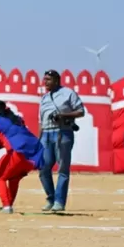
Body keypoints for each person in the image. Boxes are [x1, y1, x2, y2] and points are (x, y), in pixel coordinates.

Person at [38, 70, 85, 213]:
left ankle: (59, 202)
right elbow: (41, 121)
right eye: (44, 79)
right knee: (43, 168)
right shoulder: (44, 98)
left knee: (62, 169)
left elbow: (81, 111)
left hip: (62, 133)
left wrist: (63, 115)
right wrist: (38, 140)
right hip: (46, 134)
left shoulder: (68, 93)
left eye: (48, 80)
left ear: (57, 80)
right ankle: (51, 198)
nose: (45, 82)